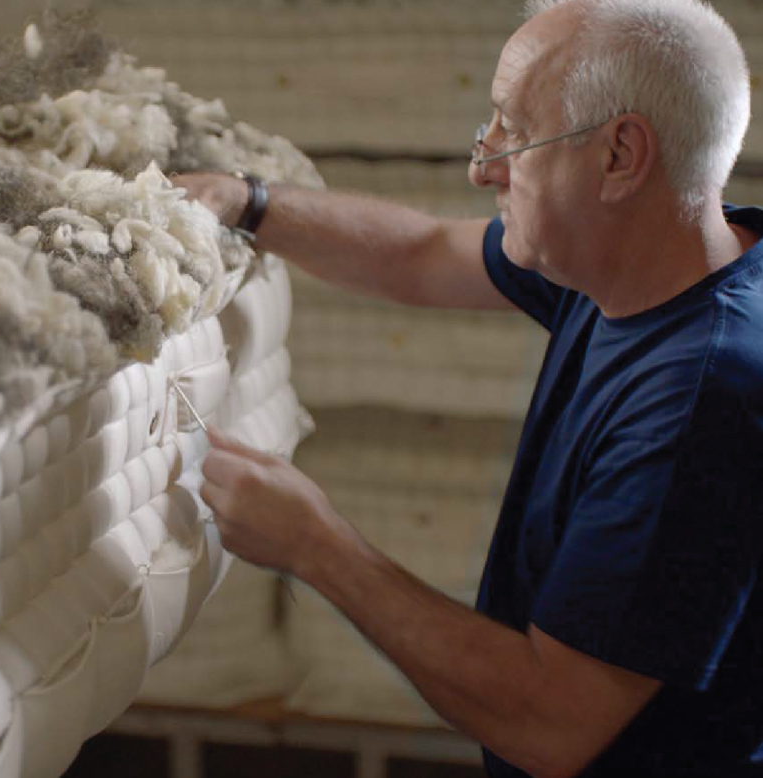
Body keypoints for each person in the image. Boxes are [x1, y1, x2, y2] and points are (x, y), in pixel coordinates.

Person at [179, 0, 763, 775]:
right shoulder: (646, 255)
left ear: (621, 155)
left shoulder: (704, 400)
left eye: (516, 134)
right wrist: (246, 203)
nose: (482, 166)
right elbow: (418, 255)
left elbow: (554, 724)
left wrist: (318, 546)